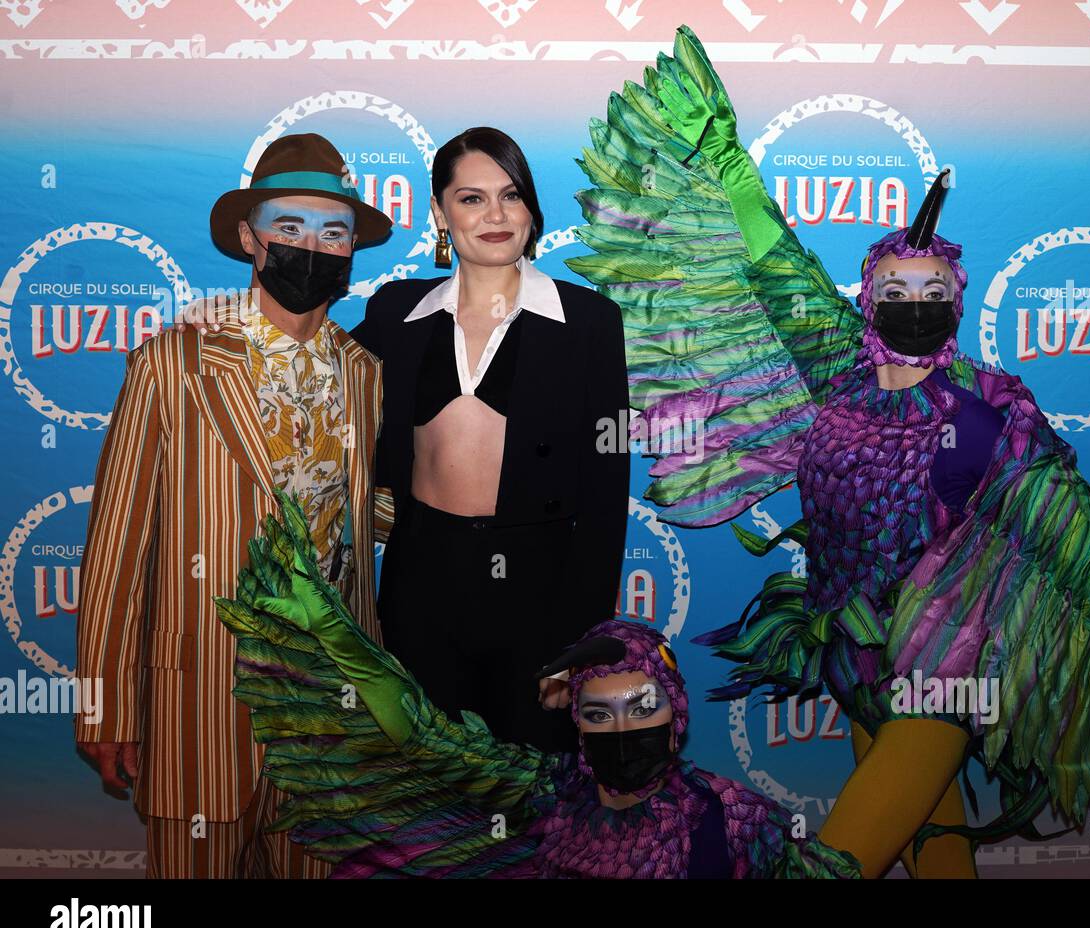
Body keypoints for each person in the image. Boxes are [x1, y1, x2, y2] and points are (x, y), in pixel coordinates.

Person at [563, 24, 1090, 878]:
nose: (914, 304)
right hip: (854, 653)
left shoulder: (989, 407)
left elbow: (1072, 533)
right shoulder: (839, 367)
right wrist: (729, 166)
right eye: (895, 290)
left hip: (948, 666)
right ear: (869, 301)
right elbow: (777, 268)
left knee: (837, 863)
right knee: (934, 842)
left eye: (932, 291)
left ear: (958, 301)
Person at [188, 127, 631, 755]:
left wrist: (578, 647)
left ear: (532, 209)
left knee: (529, 787)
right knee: (428, 794)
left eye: (511, 196)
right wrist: (224, 317)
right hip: (421, 583)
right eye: (471, 198)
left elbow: (608, 494)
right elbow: (309, 354)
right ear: (441, 215)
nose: (496, 215)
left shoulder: (588, 321)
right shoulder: (398, 313)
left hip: (540, 588)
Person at [215, 491, 861, 879]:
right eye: (599, 715)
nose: (623, 730)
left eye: (642, 707)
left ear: (677, 708)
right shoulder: (549, 797)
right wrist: (330, 628)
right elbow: (422, 736)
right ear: (575, 725)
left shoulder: (736, 816)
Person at [74, 132, 391, 878]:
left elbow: (361, 511)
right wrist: (103, 706)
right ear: (251, 239)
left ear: (351, 252)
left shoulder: (364, 373)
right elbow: (118, 547)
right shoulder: (173, 363)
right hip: (200, 710)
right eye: (289, 227)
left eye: (332, 232)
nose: (310, 246)